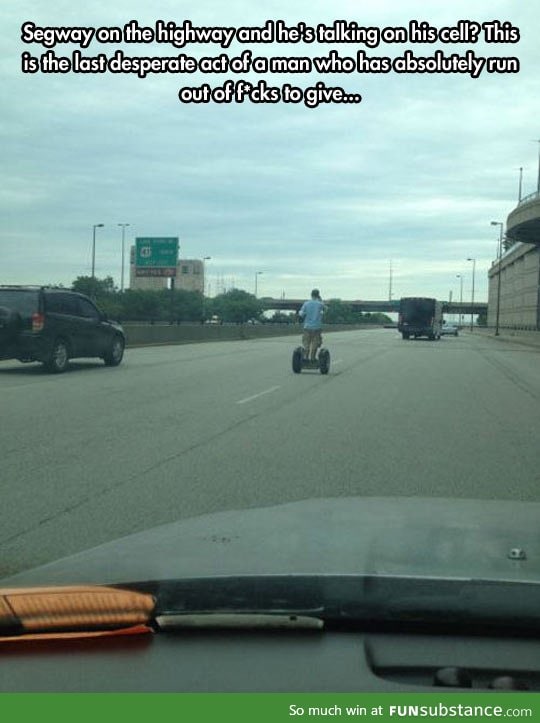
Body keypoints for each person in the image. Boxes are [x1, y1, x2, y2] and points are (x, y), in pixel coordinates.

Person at [298, 289, 324, 361]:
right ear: (318, 295)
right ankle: (312, 358)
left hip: (307, 327)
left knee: (306, 343)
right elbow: (325, 309)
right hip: (317, 327)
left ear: (311, 294)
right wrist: (320, 300)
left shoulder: (306, 304)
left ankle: (306, 357)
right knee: (315, 344)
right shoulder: (320, 304)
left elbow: (301, 314)